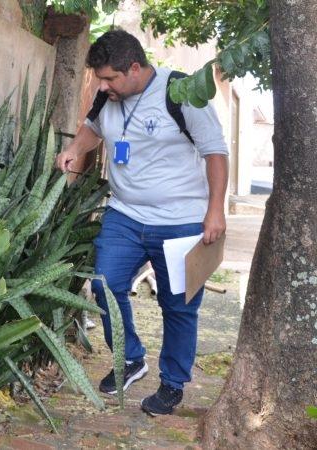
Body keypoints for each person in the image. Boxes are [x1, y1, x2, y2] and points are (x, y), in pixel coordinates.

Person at [55, 30, 228, 416]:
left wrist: (214, 211)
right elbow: (92, 129)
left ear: (135, 68)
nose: (103, 86)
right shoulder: (107, 95)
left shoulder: (180, 91)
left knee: (179, 305)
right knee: (105, 284)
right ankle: (131, 358)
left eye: (110, 78)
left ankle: (172, 383)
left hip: (182, 220)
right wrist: (73, 148)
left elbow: (215, 152)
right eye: (100, 79)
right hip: (126, 214)